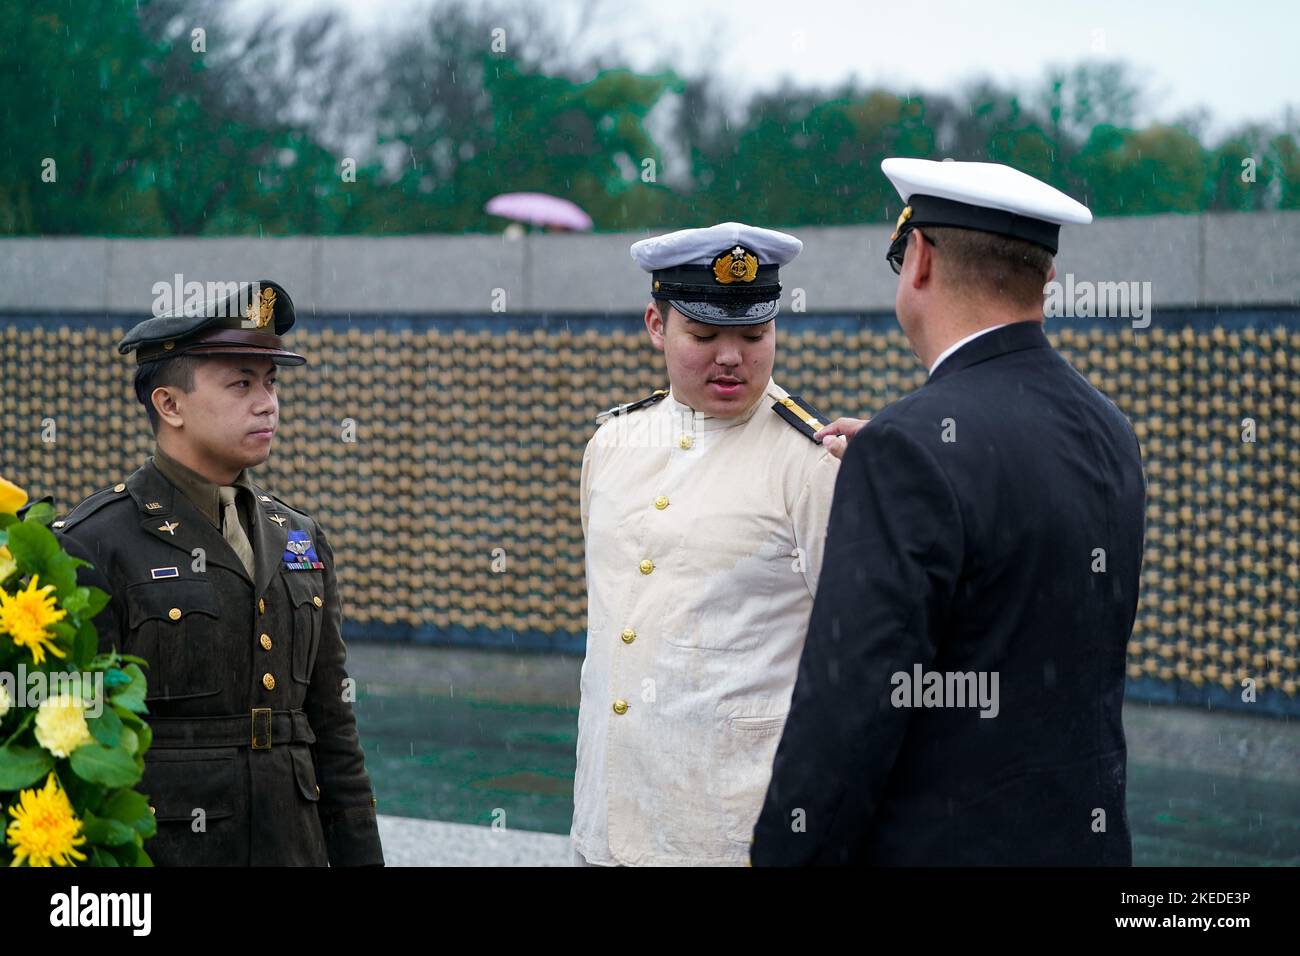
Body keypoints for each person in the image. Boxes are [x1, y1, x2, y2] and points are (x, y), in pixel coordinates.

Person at [752, 160, 1146, 865]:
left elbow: (848, 712)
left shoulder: (911, 448)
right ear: (1044, 279)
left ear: (922, 258)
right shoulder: (1108, 426)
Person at [55, 280, 384, 866]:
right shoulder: (96, 542)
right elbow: (74, 749)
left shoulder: (298, 537)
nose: (267, 403)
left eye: (271, 382)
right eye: (241, 384)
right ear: (170, 405)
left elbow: (333, 731)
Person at [572, 223, 843, 866]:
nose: (732, 357)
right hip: (604, 822)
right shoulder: (611, 445)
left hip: (731, 837)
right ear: (655, 325)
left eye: (754, 336)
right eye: (704, 335)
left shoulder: (813, 465)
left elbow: (854, 656)